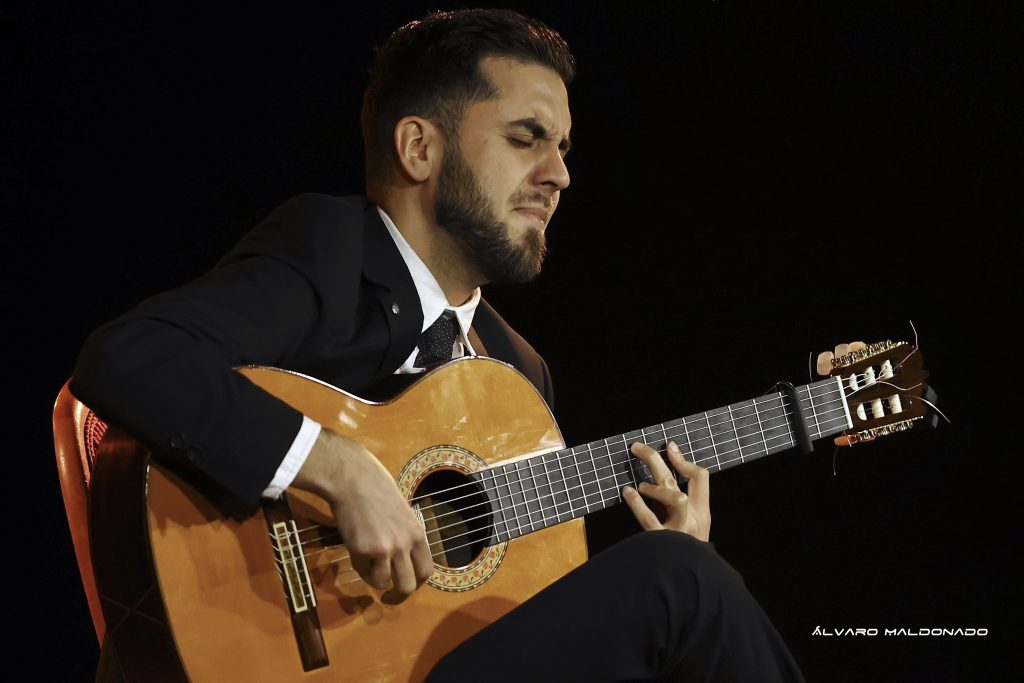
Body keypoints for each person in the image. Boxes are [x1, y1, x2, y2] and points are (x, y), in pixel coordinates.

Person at [72, 8, 807, 681]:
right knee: (679, 583)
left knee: (681, 577)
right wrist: (335, 465)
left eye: (562, 147)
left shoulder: (520, 372)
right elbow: (128, 355)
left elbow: (516, 615)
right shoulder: (332, 252)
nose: (559, 175)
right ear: (419, 147)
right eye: (527, 139)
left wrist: (675, 553)